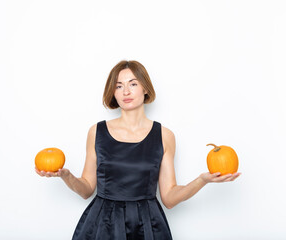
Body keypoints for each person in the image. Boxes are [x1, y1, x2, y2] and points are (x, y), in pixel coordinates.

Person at [35, 60, 241, 240]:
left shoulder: (164, 135)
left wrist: (202, 180)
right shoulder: (96, 132)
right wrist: (66, 176)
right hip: (102, 224)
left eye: (133, 84)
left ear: (145, 88)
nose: (126, 91)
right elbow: (87, 189)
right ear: (112, 93)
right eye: (118, 86)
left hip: (148, 225)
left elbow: (169, 198)